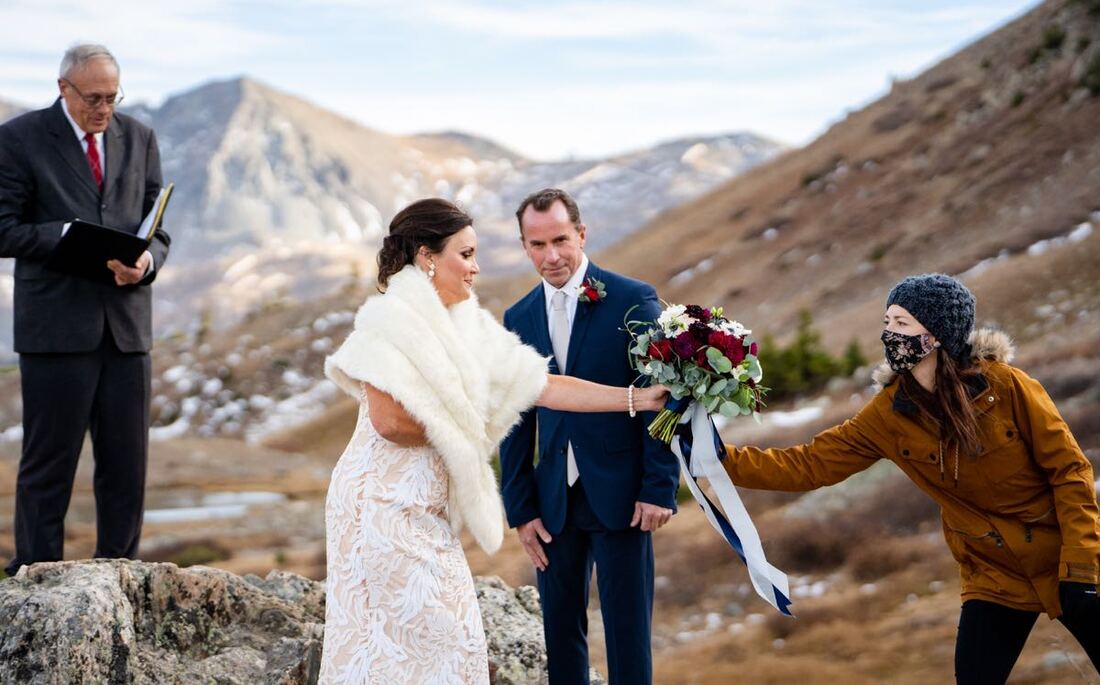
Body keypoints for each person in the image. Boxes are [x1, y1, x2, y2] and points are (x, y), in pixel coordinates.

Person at [320, 197, 668, 684]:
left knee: (453, 642)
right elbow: (389, 422)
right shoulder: (391, 318)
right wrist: (473, 428)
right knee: (409, 646)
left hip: (429, 507)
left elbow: (541, 385)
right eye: (465, 254)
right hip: (380, 504)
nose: (476, 267)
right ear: (426, 257)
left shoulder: (467, 321)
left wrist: (636, 399)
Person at [717, 273, 1099, 683]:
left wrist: (1080, 564)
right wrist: (717, 457)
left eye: (901, 323)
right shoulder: (888, 414)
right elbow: (808, 464)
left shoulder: (1006, 386)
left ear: (937, 334)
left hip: (1066, 558)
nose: (889, 334)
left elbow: (1070, 471)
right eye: (887, 322)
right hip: (993, 576)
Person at [0, 44, 170, 577]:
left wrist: (146, 263)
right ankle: (34, 579)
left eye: (112, 98)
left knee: (126, 468)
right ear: (63, 88)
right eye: (93, 98)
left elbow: (157, 227)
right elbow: (3, 229)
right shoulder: (19, 138)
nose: (104, 109)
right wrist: (67, 237)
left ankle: (120, 578)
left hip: (127, 329)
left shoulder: (139, 137)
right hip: (56, 329)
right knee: (48, 467)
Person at [498, 188, 681, 685]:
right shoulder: (518, 318)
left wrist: (658, 486)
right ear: (524, 246)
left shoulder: (632, 299)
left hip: (623, 496)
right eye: (537, 245)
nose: (551, 256)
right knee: (560, 637)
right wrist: (521, 509)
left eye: (560, 240)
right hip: (551, 503)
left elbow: (664, 396)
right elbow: (514, 420)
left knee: (627, 636)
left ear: (581, 234)